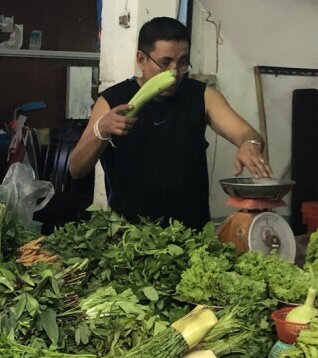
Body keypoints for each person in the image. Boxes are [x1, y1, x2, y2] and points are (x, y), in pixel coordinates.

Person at [69, 17, 273, 229]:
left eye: (183, 62)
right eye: (165, 63)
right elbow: (76, 169)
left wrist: (250, 144)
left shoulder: (202, 96)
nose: (174, 73)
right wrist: (101, 129)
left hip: (190, 235)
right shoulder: (112, 100)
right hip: (129, 239)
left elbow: (248, 134)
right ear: (141, 60)